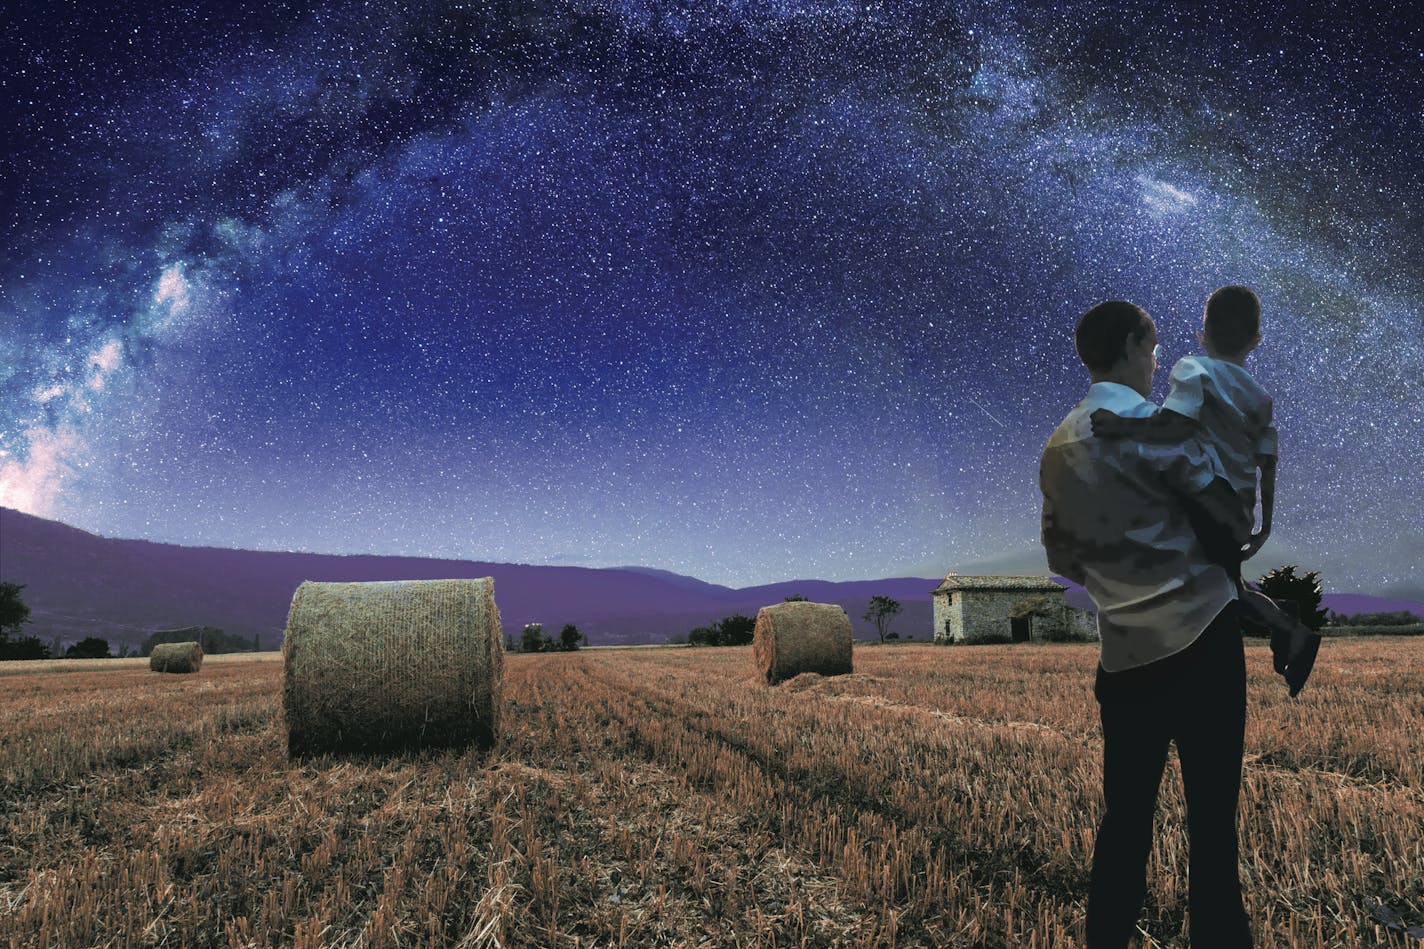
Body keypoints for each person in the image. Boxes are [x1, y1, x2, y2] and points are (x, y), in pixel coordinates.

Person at [1040, 300, 1253, 948]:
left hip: (1125, 659)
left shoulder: (1057, 448)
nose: (1159, 361)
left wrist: (1122, 580)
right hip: (1203, 644)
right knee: (1212, 832)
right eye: (1154, 347)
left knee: (1125, 824)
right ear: (1133, 345)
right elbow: (1232, 530)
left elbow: (1060, 556)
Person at [1089, 285, 1320, 696]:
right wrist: (1264, 525)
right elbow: (1267, 465)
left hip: (1204, 498)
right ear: (1256, 340)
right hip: (1238, 510)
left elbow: (1173, 426)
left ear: (1202, 333)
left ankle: (1282, 629)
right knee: (1224, 581)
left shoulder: (1193, 370)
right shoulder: (1261, 399)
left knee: (1186, 574)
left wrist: (1119, 425)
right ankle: (1286, 625)